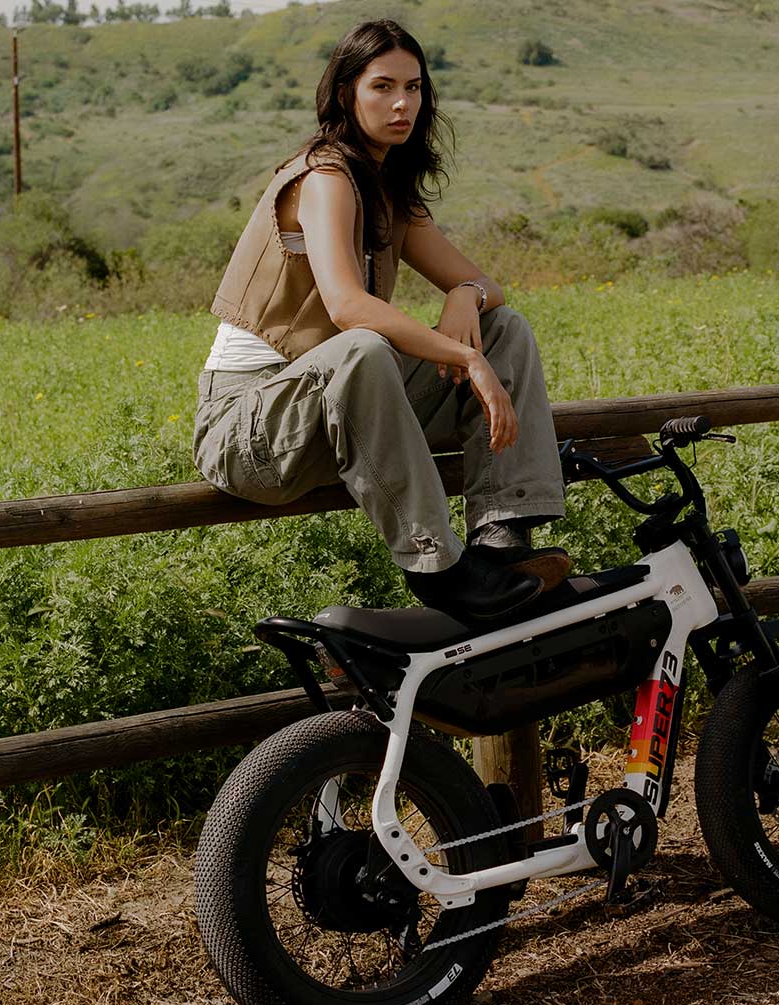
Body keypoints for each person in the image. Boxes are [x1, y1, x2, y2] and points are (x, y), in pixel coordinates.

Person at [192, 18, 570, 623]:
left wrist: (463, 298)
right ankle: (438, 569)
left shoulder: (389, 187)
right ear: (346, 93)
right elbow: (346, 306)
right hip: (250, 431)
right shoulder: (324, 177)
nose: (403, 104)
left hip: (337, 416)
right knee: (365, 345)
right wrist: (464, 358)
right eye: (383, 87)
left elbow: (484, 285)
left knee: (506, 330)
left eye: (415, 88)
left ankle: (503, 536)